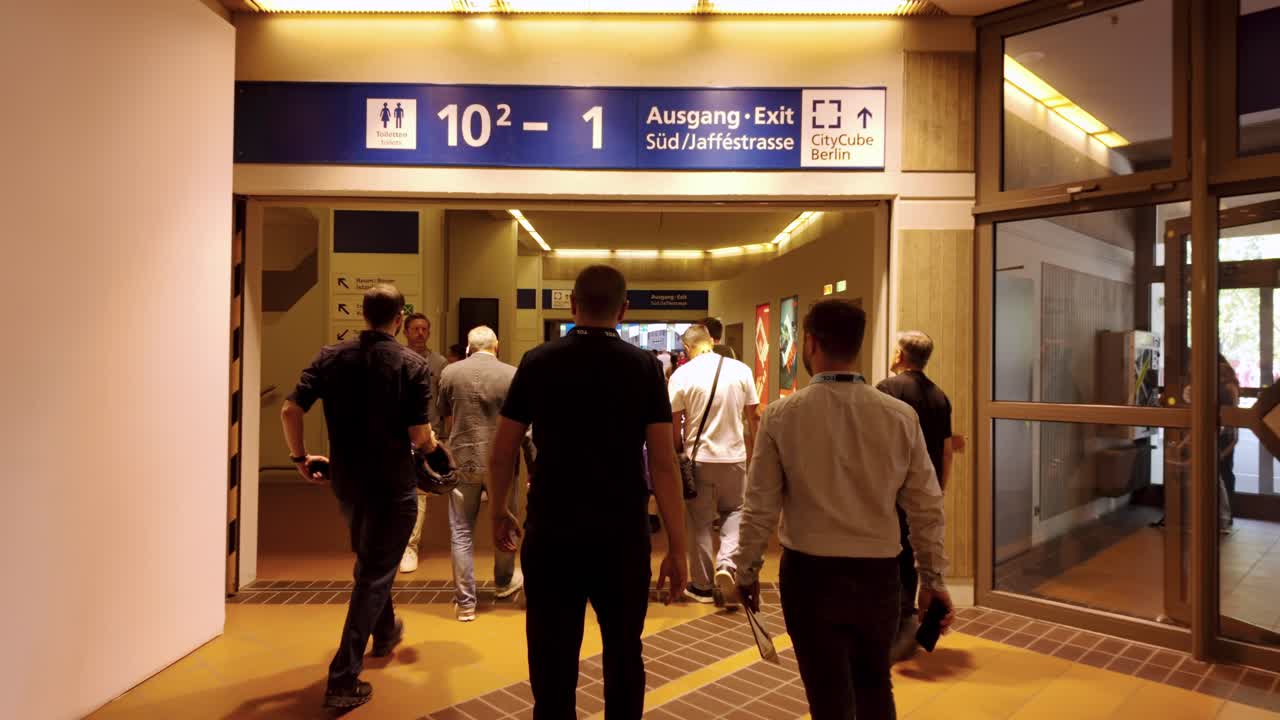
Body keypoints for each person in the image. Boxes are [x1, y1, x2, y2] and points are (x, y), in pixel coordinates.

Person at [733, 299, 951, 720]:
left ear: (810, 343)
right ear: (858, 345)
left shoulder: (781, 417)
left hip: (809, 576)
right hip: (879, 577)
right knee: (874, 685)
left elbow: (759, 506)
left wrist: (746, 571)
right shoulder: (900, 416)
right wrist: (932, 579)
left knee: (827, 693)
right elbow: (926, 507)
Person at [488, 265, 689, 720]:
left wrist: (499, 509)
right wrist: (677, 546)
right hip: (621, 533)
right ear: (624, 309)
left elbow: (502, 452)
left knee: (551, 653)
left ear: (573, 305)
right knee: (623, 651)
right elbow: (663, 462)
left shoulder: (538, 361)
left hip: (553, 529)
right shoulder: (644, 368)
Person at [280, 284, 437, 710]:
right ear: (400, 318)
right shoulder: (411, 365)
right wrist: (433, 450)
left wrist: (299, 458)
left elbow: (290, 410)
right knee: (373, 573)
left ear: (364, 315)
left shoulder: (330, 357)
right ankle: (343, 677)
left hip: (347, 481)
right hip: (393, 483)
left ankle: (385, 633)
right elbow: (419, 435)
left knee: (373, 560)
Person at [877, 330, 961, 662]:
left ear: (899, 355)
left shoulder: (887, 389)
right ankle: (907, 618)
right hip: (924, 488)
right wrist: (939, 489)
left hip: (892, 487)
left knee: (891, 552)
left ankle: (896, 623)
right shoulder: (940, 396)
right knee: (913, 552)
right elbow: (947, 450)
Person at [668, 324, 759, 606]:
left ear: (687, 349)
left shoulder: (682, 374)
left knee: (700, 521)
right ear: (711, 341)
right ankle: (727, 566)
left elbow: (674, 424)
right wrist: (755, 452)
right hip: (734, 457)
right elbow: (753, 416)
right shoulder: (740, 370)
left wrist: (678, 452)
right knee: (735, 511)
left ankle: (703, 586)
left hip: (700, 459)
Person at [437, 325, 522, 622]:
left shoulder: (450, 373)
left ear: (469, 347)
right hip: (502, 464)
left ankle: (466, 603)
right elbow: (523, 426)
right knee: (505, 524)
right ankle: (503, 582)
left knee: (461, 531)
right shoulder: (512, 375)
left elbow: (444, 416)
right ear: (496, 346)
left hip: (461, 461)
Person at [400, 312, 449, 574]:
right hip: (396, 433)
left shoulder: (439, 363)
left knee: (420, 490)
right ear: (405, 331)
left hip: (428, 433)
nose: (420, 333)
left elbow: (444, 402)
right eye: (415, 329)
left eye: (424, 329)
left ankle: (411, 545)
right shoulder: (395, 358)